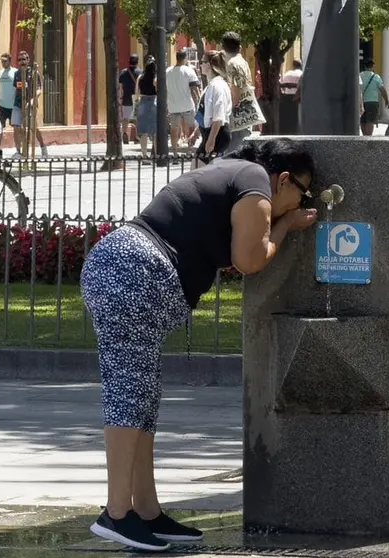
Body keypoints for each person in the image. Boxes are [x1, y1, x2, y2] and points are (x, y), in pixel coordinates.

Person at [81, 138, 318, 552]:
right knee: (128, 394)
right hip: (134, 272)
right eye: (303, 191)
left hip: (125, 267)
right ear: (285, 179)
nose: (301, 202)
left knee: (141, 395)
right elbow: (249, 259)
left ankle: (146, 510)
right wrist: (286, 226)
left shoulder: (232, 171)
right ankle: (116, 513)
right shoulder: (256, 183)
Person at [221, 31, 266, 153]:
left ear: (223, 47)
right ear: (239, 47)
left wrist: (231, 107)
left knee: (234, 148)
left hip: (238, 112)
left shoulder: (231, 64)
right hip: (247, 108)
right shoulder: (242, 61)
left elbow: (236, 88)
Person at [195, 51, 232, 167]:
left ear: (210, 65)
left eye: (202, 62)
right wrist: (196, 132)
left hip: (217, 133)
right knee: (198, 168)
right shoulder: (211, 85)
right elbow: (206, 112)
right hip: (210, 132)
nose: (200, 65)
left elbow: (218, 116)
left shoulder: (218, 86)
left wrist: (211, 139)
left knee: (198, 169)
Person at [11, 51, 48, 159]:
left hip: (30, 104)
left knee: (33, 128)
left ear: (28, 61)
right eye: (19, 60)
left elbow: (39, 89)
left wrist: (32, 100)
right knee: (16, 127)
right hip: (17, 104)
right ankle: (18, 151)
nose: (22, 62)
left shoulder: (33, 73)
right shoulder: (17, 74)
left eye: (24, 59)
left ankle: (43, 147)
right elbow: (16, 89)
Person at [166, 50, 202, 155]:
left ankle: (174, 152)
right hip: (187, 105)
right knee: (190, 127)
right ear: (185, 58)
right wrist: (199, 100)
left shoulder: (168, 71)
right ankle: (189, 150)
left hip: (173, 106)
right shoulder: (189, 71)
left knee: (174, 129)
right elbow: (194, 88)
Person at [136, 56, 158, 160]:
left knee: (143, 131)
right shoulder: (156, 78)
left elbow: (137, 92)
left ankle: (144, 155)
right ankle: (157, 154)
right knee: (155, 131)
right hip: (154, 101)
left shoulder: (140, 77)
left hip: (143, 102)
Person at [359, 59, 389, 136]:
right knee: (370, 121)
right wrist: (386, 100)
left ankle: (364, 136)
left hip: (361, 101)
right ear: (373, 67)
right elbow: (382, 90)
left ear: (364, 66)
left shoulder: (360, 75)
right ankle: (368, 137)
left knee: (363, 120)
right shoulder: (376, 77)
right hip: (373, 102)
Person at [0, 53, 17, 150]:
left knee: (17, 129)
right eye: (2, 61)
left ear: (9, 61)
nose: (3, 63)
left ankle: (18, 150)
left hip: (13, 105)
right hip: (1, 105)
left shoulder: (16, 72)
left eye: (5, 61)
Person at [118, 55, 142, 145]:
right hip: (137, 98)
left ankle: (125, 133)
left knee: (125, 118)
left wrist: (120, 98)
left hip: (126, 98)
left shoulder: (123, 72)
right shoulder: (140, 72)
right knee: (137, 117)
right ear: (137, 62)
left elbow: (120, 87)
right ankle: (137, 137)